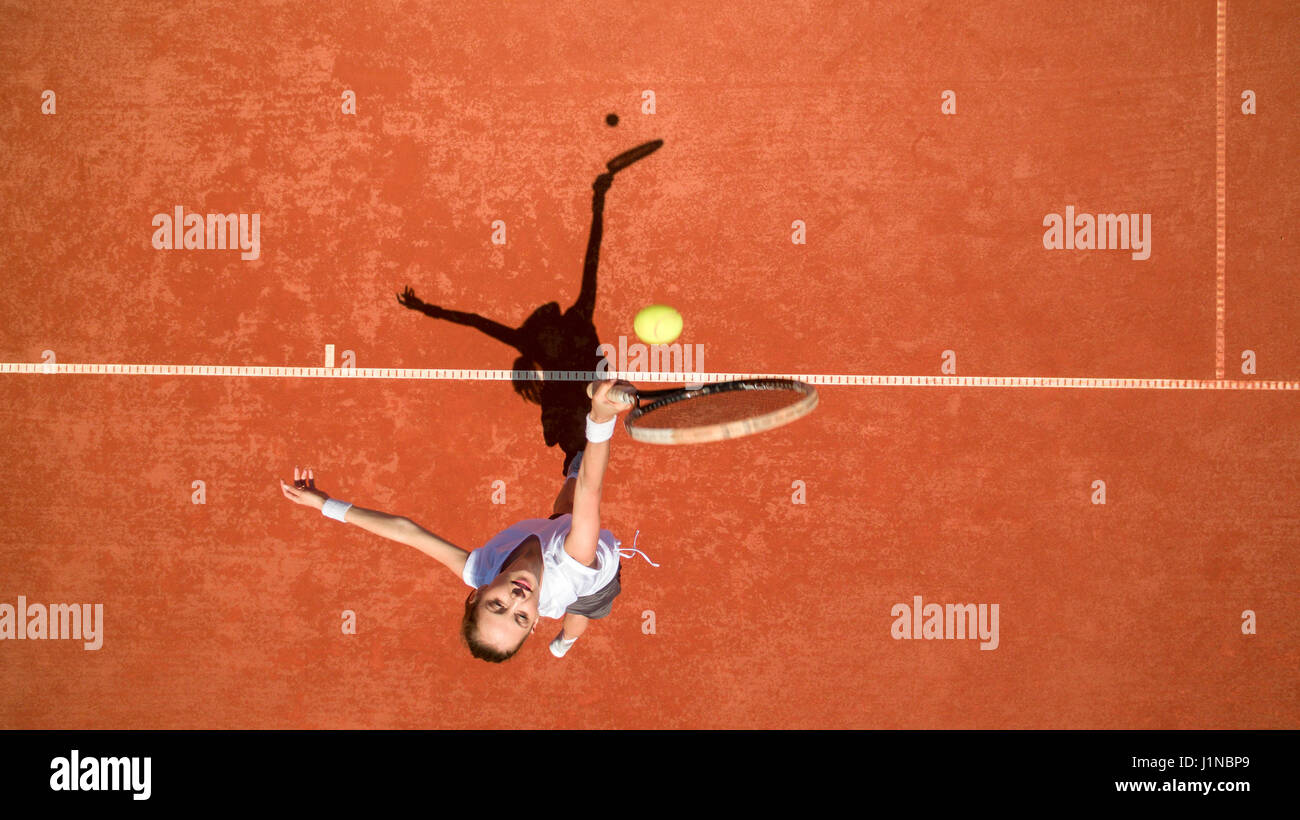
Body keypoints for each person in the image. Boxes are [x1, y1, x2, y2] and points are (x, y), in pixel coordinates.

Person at [277, 380, 651, 662]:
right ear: (536, 621)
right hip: (592, 580)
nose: (517, 599)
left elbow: (408, 533)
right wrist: (599, 419)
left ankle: (572, 468)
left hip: (559, 529)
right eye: (521, 618)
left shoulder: (480, 569)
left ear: (477, 595)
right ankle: (566, 642)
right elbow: (591, 490)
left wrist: (326, 505)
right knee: (579, 612)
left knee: (563, 510)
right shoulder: (574, 565)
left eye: (497, 606)